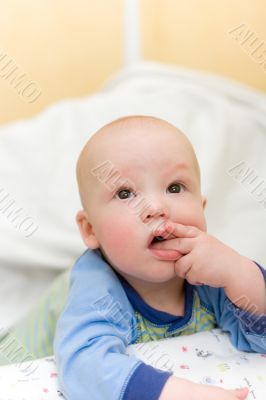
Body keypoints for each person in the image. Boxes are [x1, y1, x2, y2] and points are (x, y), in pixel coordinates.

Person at [54, 115, 266, 400]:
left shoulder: (209, 272)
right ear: (91, 230)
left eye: (175, 188)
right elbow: (83, 368)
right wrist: (181, 394)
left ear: (202, 208)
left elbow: (258, 338)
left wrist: (241, 274)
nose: (155, 207)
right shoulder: (97, 286)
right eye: (125, 193)